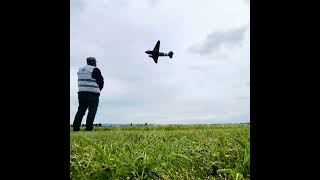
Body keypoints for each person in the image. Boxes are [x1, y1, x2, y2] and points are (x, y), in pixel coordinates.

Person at [73, 57, 104, 131]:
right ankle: (89, 128)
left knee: (81, 110)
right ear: (94, 62)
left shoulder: (80, 70)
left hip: (81, 93)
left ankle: (75, 127)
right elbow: (101, 81)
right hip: (93, 94)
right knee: (92, 111)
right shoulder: (95, 69)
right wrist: (98, 90)